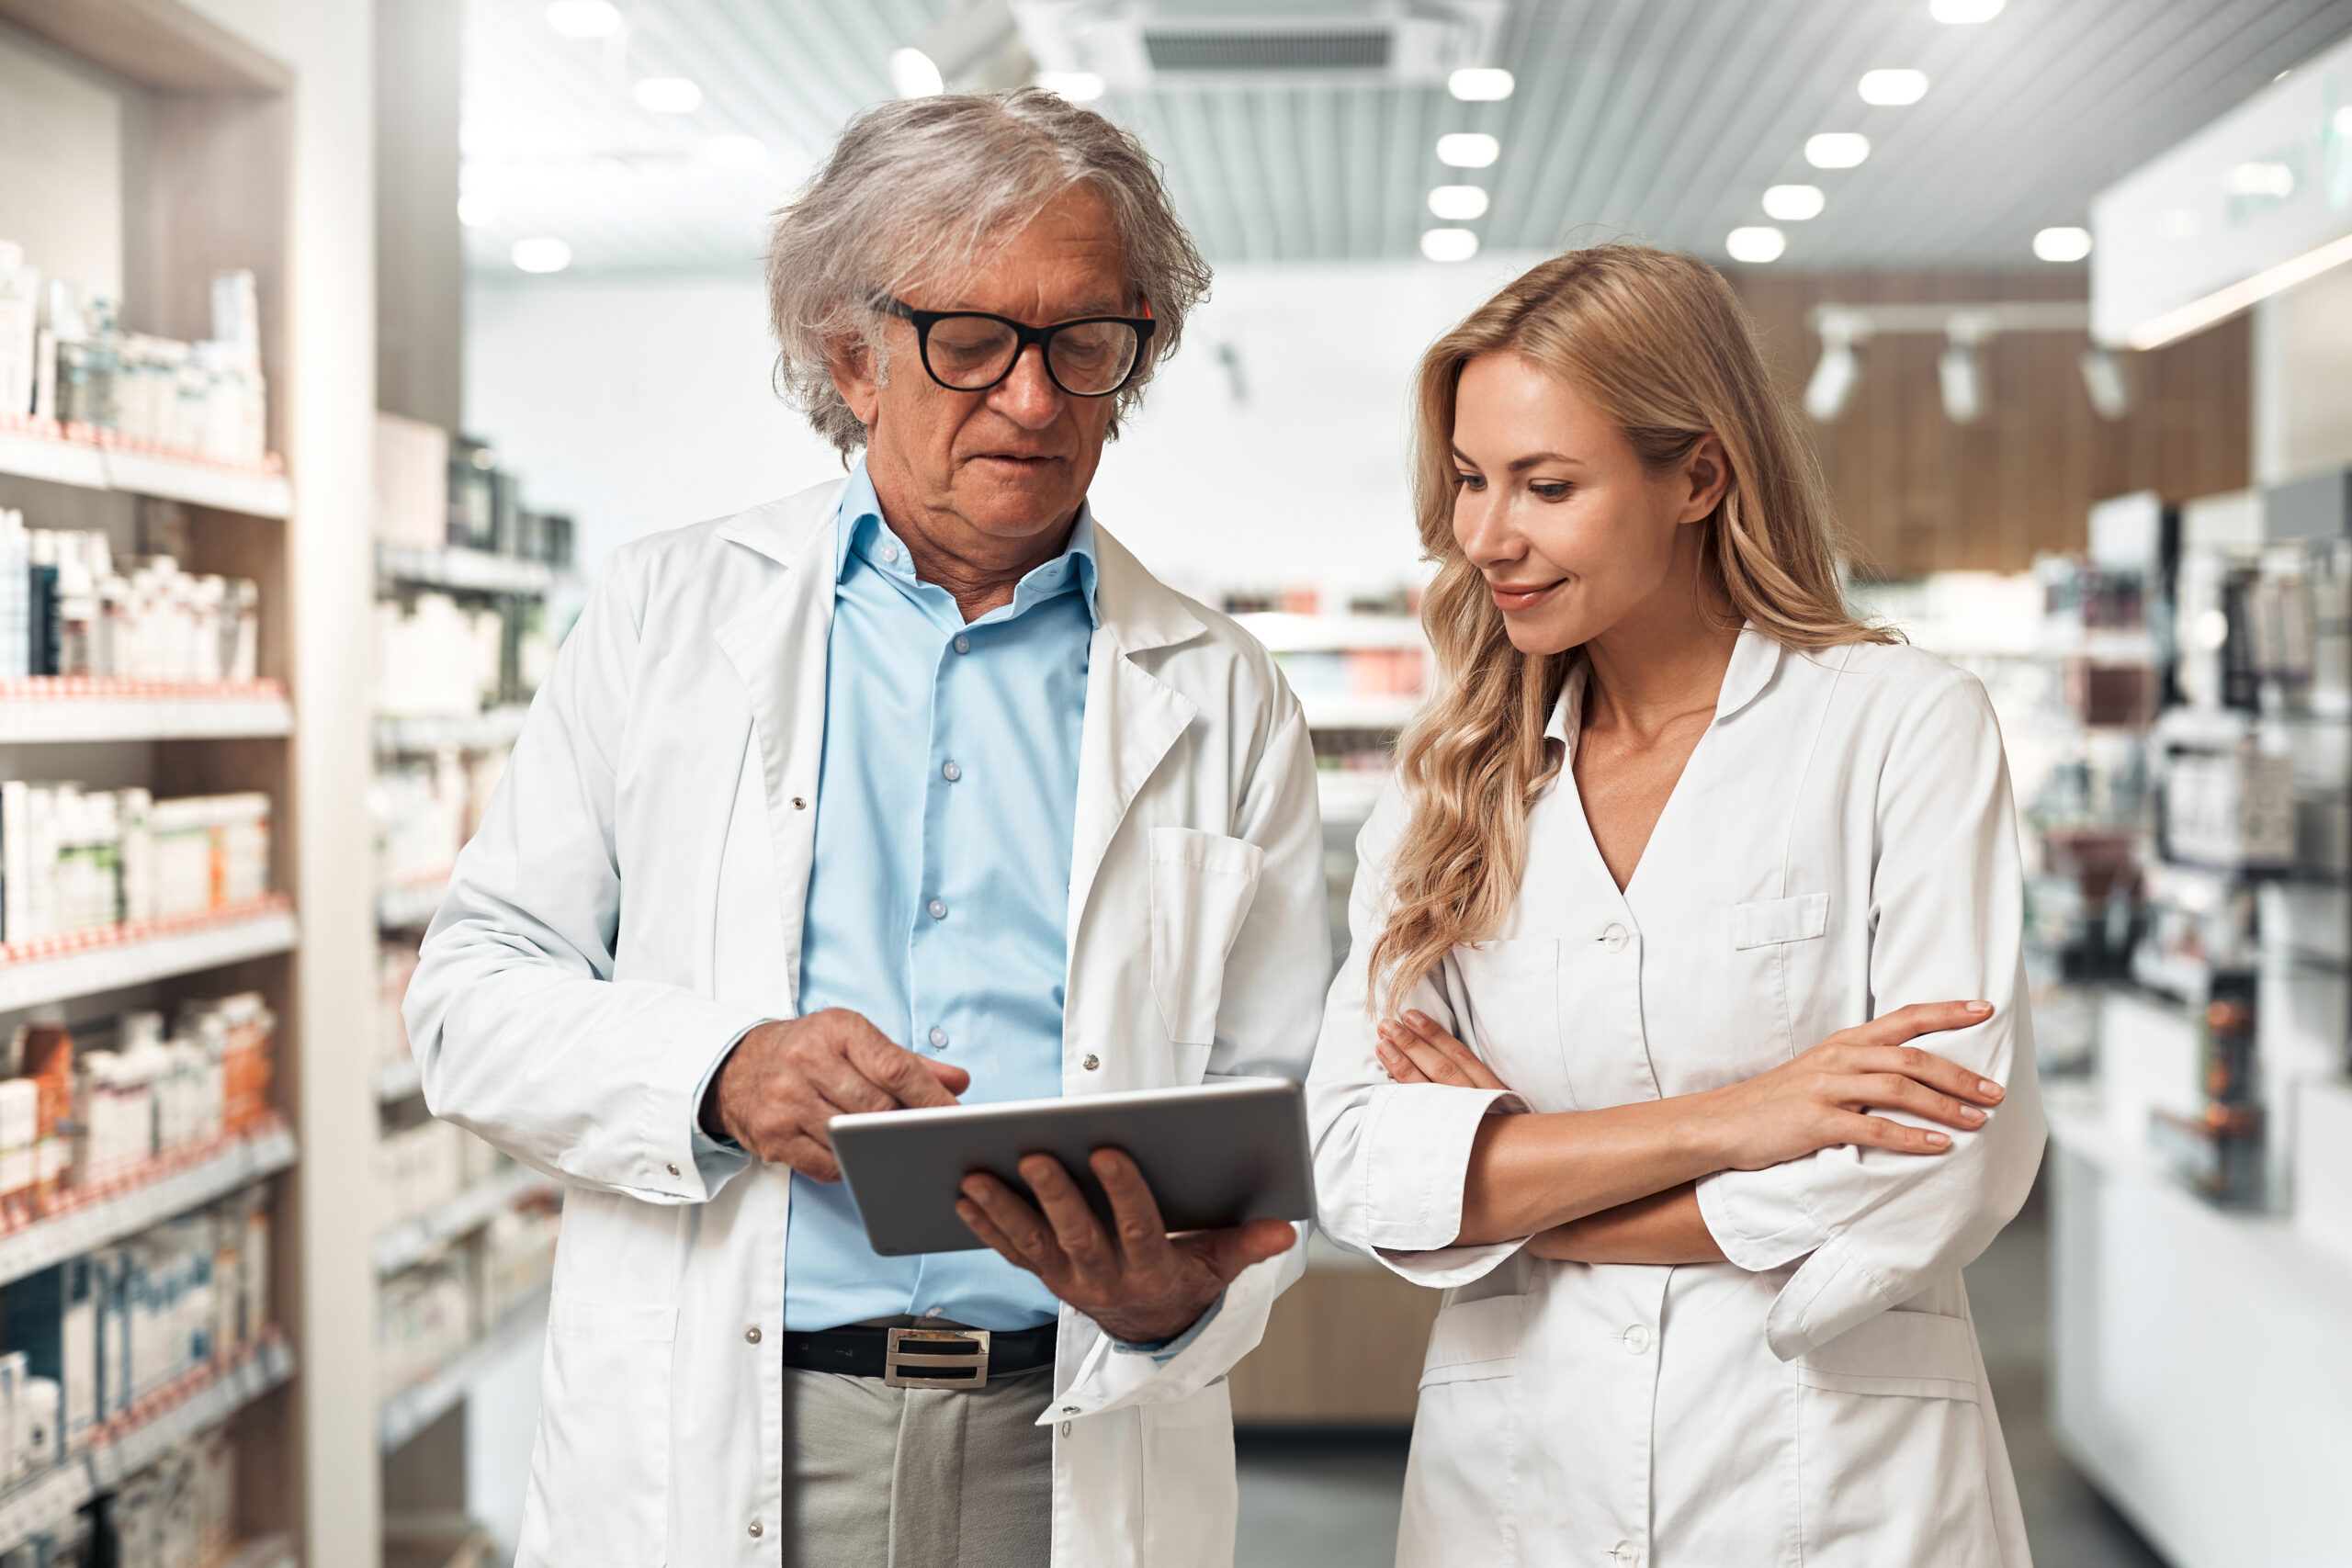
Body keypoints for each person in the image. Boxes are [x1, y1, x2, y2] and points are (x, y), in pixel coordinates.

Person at [404, 89, 1329, 1568]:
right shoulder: (666, 617)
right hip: (732, 1429)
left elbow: (1277, 1101)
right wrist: (722, 1070)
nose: (1033, 401)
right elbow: (467, 1000)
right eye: (972, 342)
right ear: (853, 355)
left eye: (1084, 344)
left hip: (1073, 1442)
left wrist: (1186, 1298)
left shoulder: (1220, 694)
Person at [1306, 244, 2045, 1567]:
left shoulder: (1897, 727)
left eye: (1547, 486)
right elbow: (1360, 1164)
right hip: (1516, 1488)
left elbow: (1938, 1162)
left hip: (1831, 1486)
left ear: (1697, 476)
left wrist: (1510, 1183)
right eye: (1471, 482)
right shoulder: (1448, 783)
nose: (1486, 537)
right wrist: (1743, 1120)